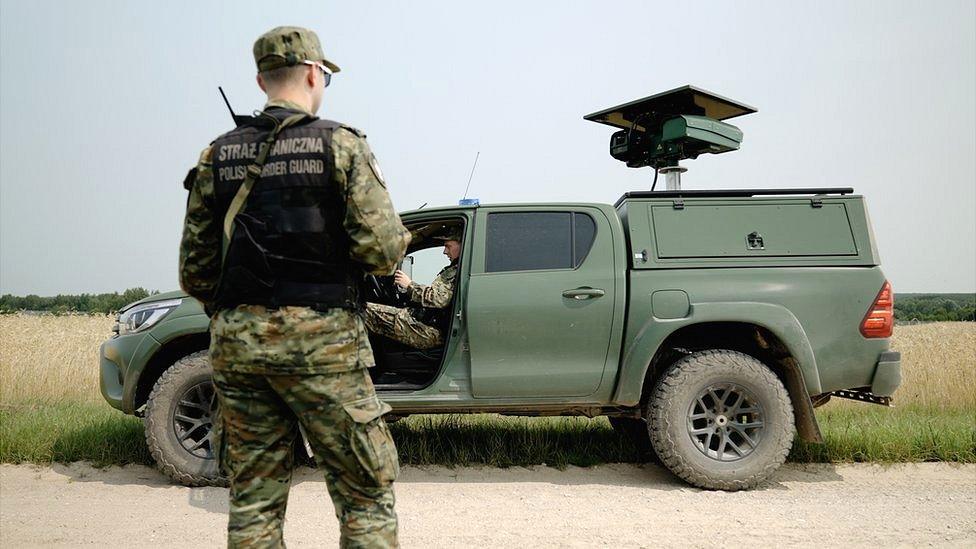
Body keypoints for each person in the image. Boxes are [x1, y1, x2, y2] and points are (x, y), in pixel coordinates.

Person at [178, 25, 410, 548]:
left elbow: (194, 272)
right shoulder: (341, 146)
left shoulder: (217, 156)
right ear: (314, 73)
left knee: (254, 503)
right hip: (325, 349)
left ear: (261, 79)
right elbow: (381, 251)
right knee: (365, 498)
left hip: (240, 351)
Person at [363, 228, 461, 349]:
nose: (445, 252)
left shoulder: (456, 271)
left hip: (430, 331)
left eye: (448, 246)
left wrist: (409, 285)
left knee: (361, 311)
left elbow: (438, 299)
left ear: (461, 246)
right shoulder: (457, 269)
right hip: (425, 322)